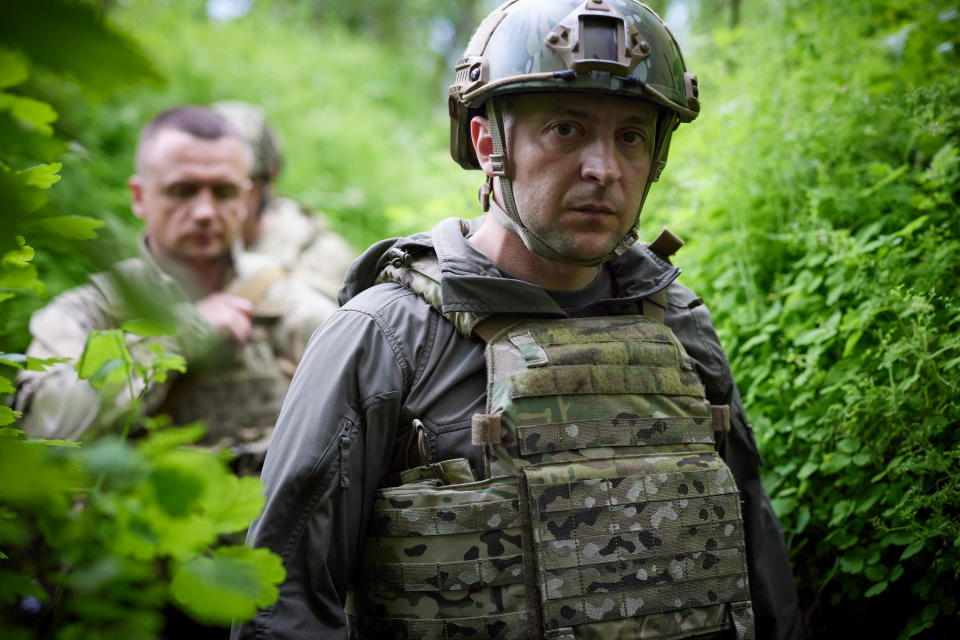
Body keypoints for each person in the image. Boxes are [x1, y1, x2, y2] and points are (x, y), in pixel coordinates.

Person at [236, 1, 803, 638]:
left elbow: (761, 569)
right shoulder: (385, 337)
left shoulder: (678, 323)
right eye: (566, 129)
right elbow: (283, 603)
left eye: (632, 136)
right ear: (488, 144)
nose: (604, 169)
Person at [16, 106, 336, 471]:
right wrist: (180, 336)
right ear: (139, 196)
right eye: (182, 191)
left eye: (224, 192)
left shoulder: (287, 304)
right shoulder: (92, 311)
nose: (204, 211)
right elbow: (42, 428)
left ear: (247, 199)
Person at [212, 101, 356, 302]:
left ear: (269, 177)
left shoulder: (321, 258)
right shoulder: (172, 245)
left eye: (226, 187)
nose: (205, 205)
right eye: (189, 188)